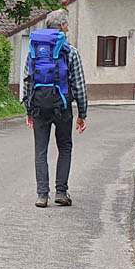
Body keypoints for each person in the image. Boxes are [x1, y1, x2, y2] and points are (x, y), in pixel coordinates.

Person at [21, 11, 88, 208]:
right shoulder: (71, 52)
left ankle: (42, 195)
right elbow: (79, 85)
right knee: (64, 147)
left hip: (39, 106)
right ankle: (61, 191)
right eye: (66, 26)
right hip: (62, 106)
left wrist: (28, 109)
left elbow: (28, 81)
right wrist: (82, 113)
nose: (68, 29)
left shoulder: (34, 50)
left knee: (40, 150)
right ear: (61, 27)